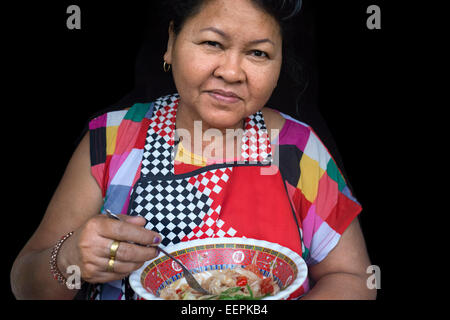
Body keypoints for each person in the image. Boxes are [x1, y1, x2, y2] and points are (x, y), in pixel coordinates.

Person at [10, 0, 375, 300]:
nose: (232, 72)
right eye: (213, 44)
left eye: (259, 53)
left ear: (278, 66)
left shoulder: (297, 149)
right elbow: (25, 284)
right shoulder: (112, 139)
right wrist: (70, 257)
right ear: (171, 42)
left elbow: (354, 278)